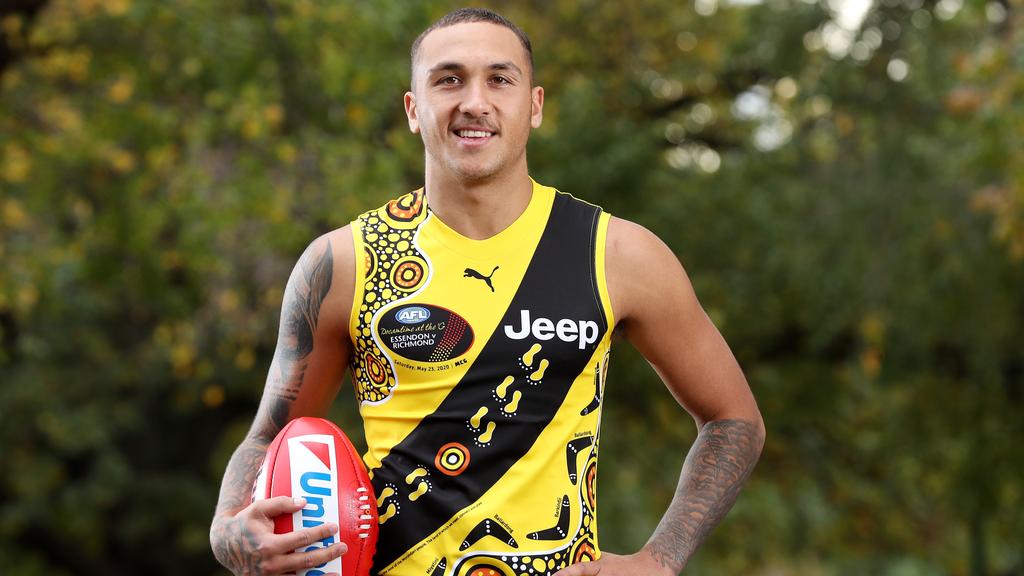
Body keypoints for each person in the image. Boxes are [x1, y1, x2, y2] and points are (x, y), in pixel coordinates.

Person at [210, 8, 764, 576]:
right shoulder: (344, 262)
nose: (474, 101)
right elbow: (269, 438)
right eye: (448, 79)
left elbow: (734, 419)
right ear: (412, 109)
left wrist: (660, 561)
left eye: (500, 79)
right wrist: (230, 526)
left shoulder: (617, 254)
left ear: (535, 105)